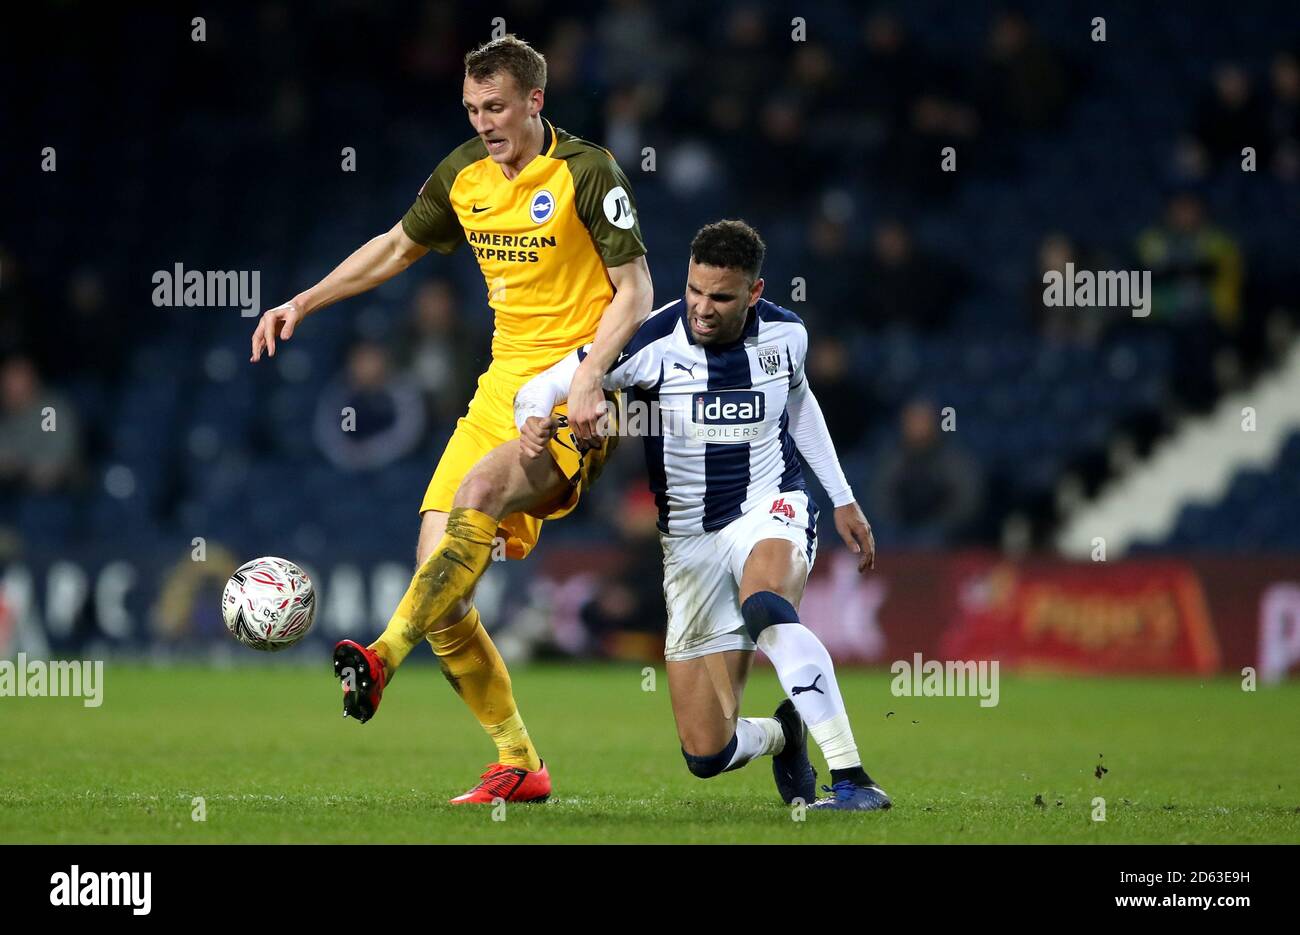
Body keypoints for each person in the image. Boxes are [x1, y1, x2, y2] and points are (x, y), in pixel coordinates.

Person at [249, 34, 654, 804]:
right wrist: (302, 300)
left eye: (496, 106)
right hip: (498, 388)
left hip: (576, 383)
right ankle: (519, 761)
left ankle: (379, 657)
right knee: (442, 587)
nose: (484, 121)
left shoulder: (587, 171)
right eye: (472, 108)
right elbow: (397, 246)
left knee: (476, 496)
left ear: (536, 100)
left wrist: (592, 376)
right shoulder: (464, 174)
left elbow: (634, 289)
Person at [514, 220, 890, 810]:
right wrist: (534, 417)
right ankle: (784, 734)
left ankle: (852, 778)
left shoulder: (788, 336)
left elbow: (799, 402)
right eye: (694, 290)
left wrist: (841, 496)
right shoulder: (650, 341)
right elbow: (546, 384)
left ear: (754, 293)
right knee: (706, 754)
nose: (702, 308)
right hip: (688, 543)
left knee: (767, 603)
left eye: (720, 297)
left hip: (769, 505)